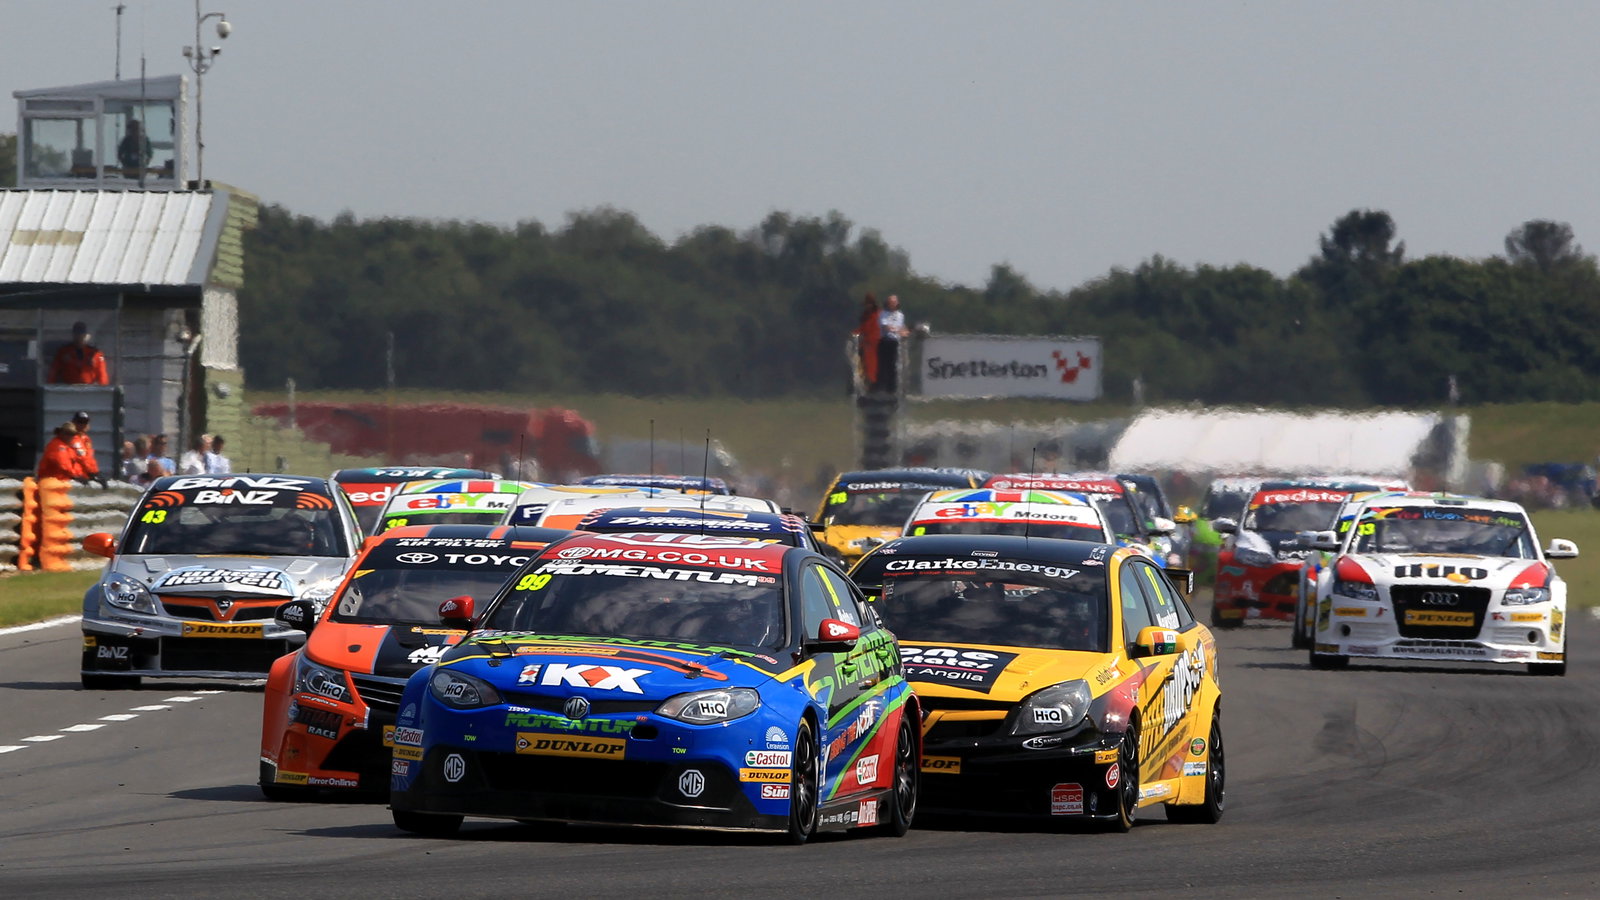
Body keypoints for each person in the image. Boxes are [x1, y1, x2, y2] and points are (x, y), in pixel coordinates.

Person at [876, 294, 910, 393]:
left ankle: (892, 389)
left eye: (895, 302)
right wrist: (897, 330)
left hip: (896, 342)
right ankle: (880, 388)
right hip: (885, 341)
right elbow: (885, 326)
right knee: (883, 365)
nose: (893, 304)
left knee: (894, 366)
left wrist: (905, 332)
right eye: (891, 303)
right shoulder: (883, 314)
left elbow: (903, 328)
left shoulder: (900, 315)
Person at [69, 411, 107, 487]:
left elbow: (89, 458)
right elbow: (81, 458)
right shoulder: (72, 438)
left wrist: (96, 472)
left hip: (85, 475)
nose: (83, 425)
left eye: (85, 422)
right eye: (80, 422)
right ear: (74, 423)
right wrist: (92, 473)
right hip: (75, 476)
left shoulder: (86, 439)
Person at [852, 293, 881, 391]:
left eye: (869, 304)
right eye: (867, 304)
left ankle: (872, 383)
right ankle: (863, 383)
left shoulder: (879, 314)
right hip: (866, 343)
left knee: (872, 364)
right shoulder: (865, 315)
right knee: (860, 361)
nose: (868, 306)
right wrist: (855, 333)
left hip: (875, 343)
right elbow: (863, 328)